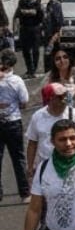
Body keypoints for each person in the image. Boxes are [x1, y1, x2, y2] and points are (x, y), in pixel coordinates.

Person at [0, 48, 30, 202]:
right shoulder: (16, 80)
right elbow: (24, 101)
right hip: (13, 122)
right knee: (18, 158)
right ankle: (24, 193)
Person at [15, 0, 44, 77]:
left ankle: (34, 69)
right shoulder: (21, 1)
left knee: (36, 50)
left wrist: (26, 12)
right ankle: (29, 70)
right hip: (24, 28)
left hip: (35, 28)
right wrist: (29, 12)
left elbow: (35, 12)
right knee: (25, 50)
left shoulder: (37, 0)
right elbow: (19, 13)